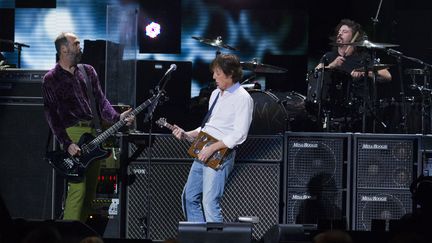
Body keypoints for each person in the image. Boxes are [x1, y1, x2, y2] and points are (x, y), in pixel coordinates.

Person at [42, 32, 134, 221]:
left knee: (90, 191)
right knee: (78, 189)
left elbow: (101, 102)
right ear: (64, 49)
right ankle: (68, 235)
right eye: (76, 43)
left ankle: (82, 235)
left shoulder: (88, 71)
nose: (80, 46)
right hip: (73, 133)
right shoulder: (51, 78)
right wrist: (67, 143)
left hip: (93, 133)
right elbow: (51, 116)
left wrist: (118, 118)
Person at [172, 54, 254, 222]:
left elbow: (240, 134)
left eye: (217, 73)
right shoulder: (216, 93)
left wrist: (212, 148)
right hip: (204, 150)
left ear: (230, 73)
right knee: (189, 197)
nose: (213, 77)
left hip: (220, 154)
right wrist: (188, 134)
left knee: (209, 203)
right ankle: (199, 237)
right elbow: (208, 126)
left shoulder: (243, 98)